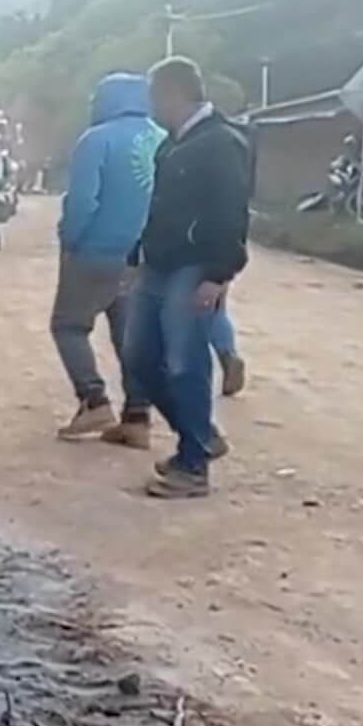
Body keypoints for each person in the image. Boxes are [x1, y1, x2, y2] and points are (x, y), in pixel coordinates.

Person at [124, 56, 252, 498]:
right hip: (158, 264)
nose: (151, 106)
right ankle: (199, 435)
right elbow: (159, 210)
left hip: (195, 265)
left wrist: (218, 274)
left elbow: (231, 214)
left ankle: (194, 465)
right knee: (139, 357)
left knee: (185, 364)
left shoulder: (222, 143)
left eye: (154, 96)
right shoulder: (171, 144)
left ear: (173, 93)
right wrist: (136, 254)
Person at [52, 73, 166, 440]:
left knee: (69, 326)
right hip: (146, 256)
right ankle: (137, 419)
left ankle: (94, 401)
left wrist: (70, 241)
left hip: (97, 251)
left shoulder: (96, 140)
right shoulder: (163, 138)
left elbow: (84, 202)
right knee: (129, 335)